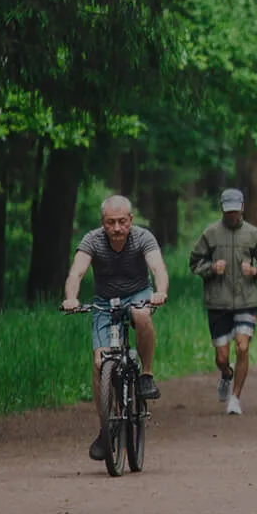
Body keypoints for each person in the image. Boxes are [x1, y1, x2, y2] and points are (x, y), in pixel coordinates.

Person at [61, 195, 170, 462]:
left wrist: (160, 291)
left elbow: (158, 268)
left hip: (138, 295)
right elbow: (76, 273)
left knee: (142, 315)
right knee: (99, 363)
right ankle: (106, 427)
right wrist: (71, 298)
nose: (117, 228)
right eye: (111, 223)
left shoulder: (143, 238)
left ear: (131, 220)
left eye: (122, 221)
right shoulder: (92, 240)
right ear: (103, 223)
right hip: (105, 302)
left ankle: (145, 375)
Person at [188, 188, 257, 415]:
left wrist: (255, 270)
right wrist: (211, 269)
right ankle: (226, 373)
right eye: (228, 212)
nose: (232, 216)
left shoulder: (254, 235)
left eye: (236, 211)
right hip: (218, 302)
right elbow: (194, 262)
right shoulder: (211, 234)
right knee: (222, 356)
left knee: (243, 346)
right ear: (222, 209)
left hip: (247, 299)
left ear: (242, 208)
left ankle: (235, 398)